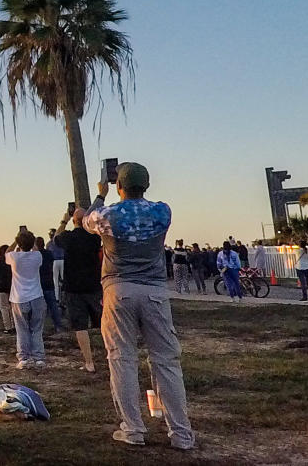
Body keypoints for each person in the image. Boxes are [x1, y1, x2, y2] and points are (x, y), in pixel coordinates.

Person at [83, 162, 195, 450]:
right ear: (146, 185)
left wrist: (100, 195)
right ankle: (181, 433)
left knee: (122, 358)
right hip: (156, 290)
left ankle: (132, 428)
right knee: (166, 361)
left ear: (119, 186)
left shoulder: (109, 215)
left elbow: (85, 220)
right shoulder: (162, 211)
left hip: (118, 289)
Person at [55, 207, 103, 373]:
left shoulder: (68, 237)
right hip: (94, 285)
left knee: (80, 326)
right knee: (103, 321)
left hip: (74, 287)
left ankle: (89, 362)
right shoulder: (94, 238)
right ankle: (111, 354)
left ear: (73, 221)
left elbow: (56, 239)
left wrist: (63, 220)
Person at [6, 231, 46, 369]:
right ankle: (39, 357)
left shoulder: (14, 257)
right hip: (36, 295)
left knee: (22, 329)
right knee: (37, 328)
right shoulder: (37, 256)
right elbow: (35, 249)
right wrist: (32, 242)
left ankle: (24, 358)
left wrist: (16, 240)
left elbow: (7, 251)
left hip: (19, 297)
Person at [34, 237, 63, 333]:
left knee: (39, 308)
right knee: (53, 306)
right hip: (49, 282)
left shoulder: (35, 255)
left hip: (39, 284)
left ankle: (39, 327)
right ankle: (58, 325)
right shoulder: (49, 254)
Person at [0, 244, 14, 333]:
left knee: (4, 308)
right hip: (11, 286)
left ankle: (8, 327)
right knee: (12, 307)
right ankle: (14, 325)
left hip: (0, 287)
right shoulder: (11, 261)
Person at [46, 228, 65, 301]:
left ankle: (57, 297)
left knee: (55, 280)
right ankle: (63, 297)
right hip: (62, 260)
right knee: (63, 280)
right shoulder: (61, 242)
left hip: (54, 262)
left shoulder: (49, 244)